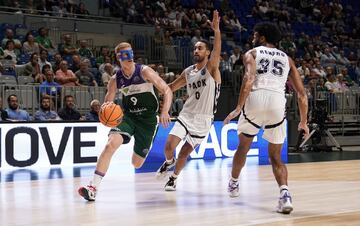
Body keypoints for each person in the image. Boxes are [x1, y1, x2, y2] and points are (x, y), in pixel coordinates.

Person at [223, 22, 309, 214]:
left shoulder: (252, 53)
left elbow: (249, 79)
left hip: (256, 98)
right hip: (277, 103)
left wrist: (238, 107)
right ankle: (285, 195)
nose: (253, 38)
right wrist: (303, 121)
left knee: (243, 147)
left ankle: (234, 183)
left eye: (255, 35)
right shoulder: (287, 59)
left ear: (262, 38)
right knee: (275, 157)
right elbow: (302, 94)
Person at [78, 41, 172, 201]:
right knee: (110, 145)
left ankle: (142, 147)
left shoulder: (144, 71)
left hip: (148, 121)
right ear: (118, 58)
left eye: (131, 53)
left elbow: (167, 90)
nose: (129, 57)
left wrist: (165, 111)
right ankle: (93, 187)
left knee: (136, 164)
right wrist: (104, 111)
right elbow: (108, 104)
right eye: (125, 55)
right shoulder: (115, 79)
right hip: (128, 117)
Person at [155, 10, 221, 191]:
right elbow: (170, 87)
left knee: (185, 152)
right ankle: (169, 162)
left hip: (203, 119)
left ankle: (174, 178)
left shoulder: (213, 69)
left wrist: (216, 31)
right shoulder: (188, 71)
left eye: (200, 48)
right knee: (169, 146)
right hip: (187, 114)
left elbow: (217, 51)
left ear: (207, 52)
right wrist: (154, 84)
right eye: (195, 48)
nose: (196, 50)